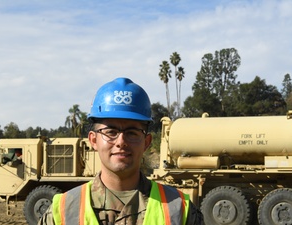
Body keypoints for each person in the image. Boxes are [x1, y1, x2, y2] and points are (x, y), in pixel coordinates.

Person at [38, 77, 204, 225]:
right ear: (93, 140)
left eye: (132, 132)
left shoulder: (180, 210)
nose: (121, 142)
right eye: (111, 132)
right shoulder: (63, 211)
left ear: (146, 142)